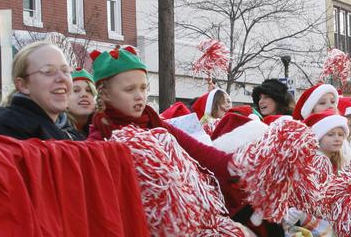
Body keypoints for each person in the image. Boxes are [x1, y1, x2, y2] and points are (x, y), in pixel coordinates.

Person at [86, 46, 243, 212]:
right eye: (129, 89)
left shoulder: (155, 123)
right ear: (105, 94)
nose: (140, 95)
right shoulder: (99, 138)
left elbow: (201, 152)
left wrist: (243, 166)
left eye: (143, 87)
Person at [0, 40, 79, 141]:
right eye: (48, 71)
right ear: (23, 85)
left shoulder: (72, 133)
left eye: (65, 70)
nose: (62, 78)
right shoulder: (7, 128)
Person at [67, 69, 97, 139]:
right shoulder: (55, 131)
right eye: (76, 90)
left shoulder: (104, 129)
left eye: (89, 90)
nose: (84, 94)